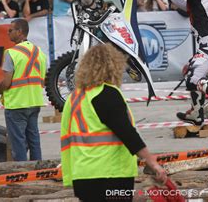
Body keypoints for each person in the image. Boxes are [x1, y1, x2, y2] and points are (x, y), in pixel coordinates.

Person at [60, 43, 167, 201]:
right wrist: (153, 163)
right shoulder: (107, 94)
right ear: (113, 67)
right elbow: (127, 134)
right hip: (110, 175)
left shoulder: (74, 98)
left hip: (82, 176)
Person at [0, 19, 46, 161]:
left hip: (17, 104)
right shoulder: (39, 51)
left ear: (20, 32)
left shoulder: (11, 53)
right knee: (34, 140)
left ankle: (22, 174)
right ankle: (38, 171)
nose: (8, 33)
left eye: (10, 30)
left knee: (18, 144)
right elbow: (42, 79)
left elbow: (7, 82)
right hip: (34, 102)